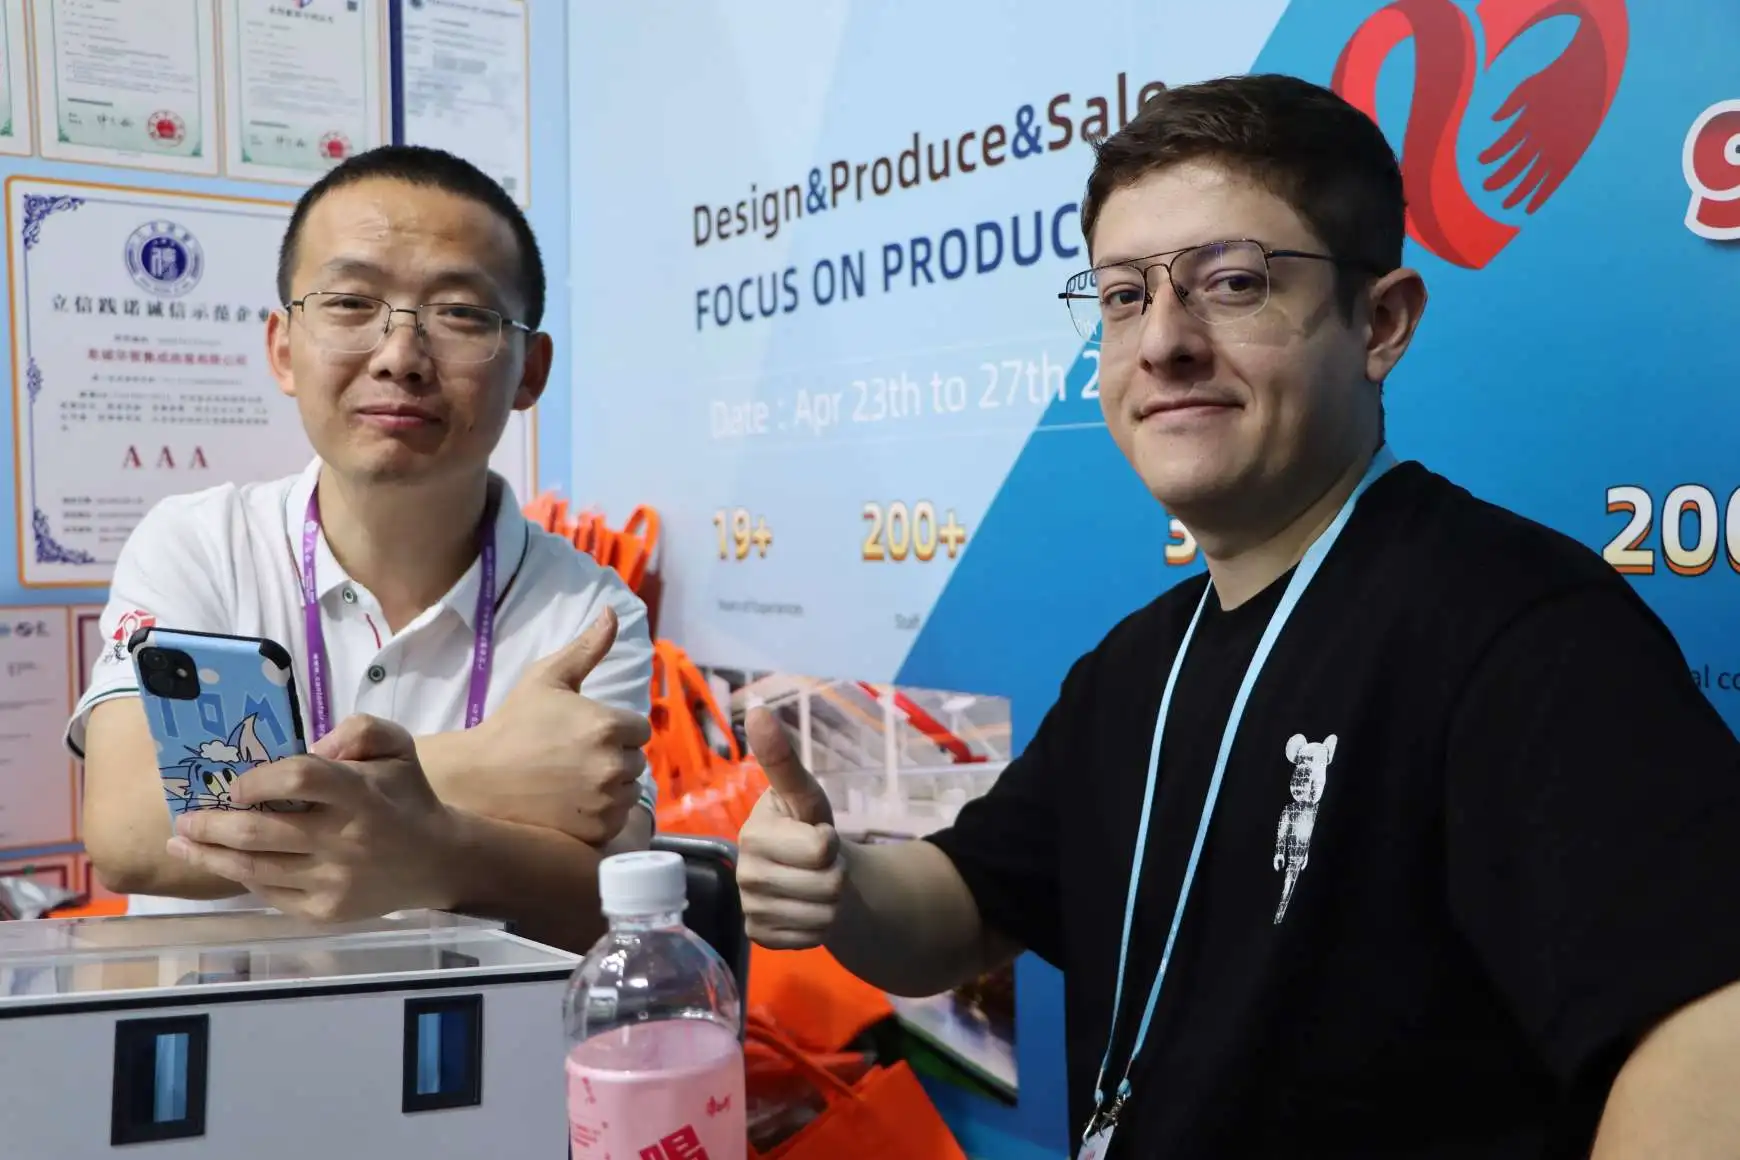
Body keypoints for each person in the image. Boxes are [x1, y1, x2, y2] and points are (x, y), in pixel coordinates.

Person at [733, 74, 1740, 1157]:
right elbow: (961, 908)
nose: (1164, 341)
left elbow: (1712, 1039)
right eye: (1125, 296)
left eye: (1233, 281)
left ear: (1381, 321)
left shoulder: (1522, 631)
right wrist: (839, 886)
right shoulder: (1131, 668)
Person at [71, 145, 655, 953]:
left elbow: (610, 895)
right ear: (283, 347)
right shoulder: (200, 545)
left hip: (472, 1029)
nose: (400, 357)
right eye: (350, 303)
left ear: (531, 370)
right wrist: (481, 769)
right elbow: (129, 831)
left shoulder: (587, 611)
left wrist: (431, 854)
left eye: (461, 314)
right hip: (218, 1023)